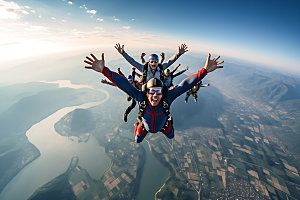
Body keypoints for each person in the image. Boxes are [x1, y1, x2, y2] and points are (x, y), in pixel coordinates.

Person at [84, 52, 224, 143]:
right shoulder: (141, 97)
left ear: (163, 92)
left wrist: (204, 71)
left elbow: (185, 85)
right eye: (152, 92)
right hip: (146, 127)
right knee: (138, 140)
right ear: (147, 92)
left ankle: (165, 124)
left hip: (162, 126)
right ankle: (140, 125)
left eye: (158, 91)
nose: (155, 95)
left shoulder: (167, 97)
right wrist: (104, 71)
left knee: (171, 136)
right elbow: (124, 84)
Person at [114, 43, 188, 83]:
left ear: (158, 62)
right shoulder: (144, 68)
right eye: (152, 61)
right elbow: (133, 62)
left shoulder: (161, 67)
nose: (154, 63)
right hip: (147, 88)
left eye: (156, 61)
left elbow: (170, 62)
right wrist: (123, 53)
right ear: (149, 62)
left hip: (159, 88)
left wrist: (178, 54)